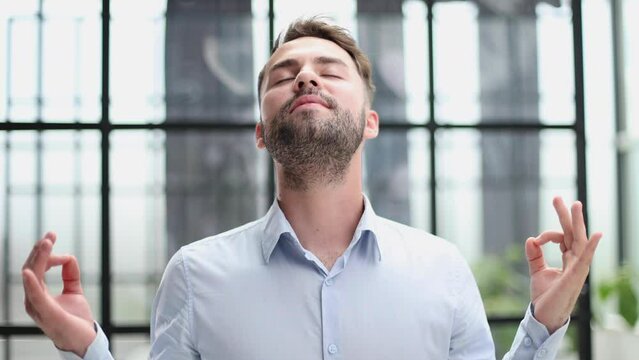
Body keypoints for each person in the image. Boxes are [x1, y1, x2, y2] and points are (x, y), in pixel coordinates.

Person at [22, 18, 602, 360]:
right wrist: (85, 348)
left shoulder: (441, 270)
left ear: (370, 122)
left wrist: (543, 327)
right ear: (260, 132)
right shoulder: (194, 276)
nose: (305, 75)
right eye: (284, 74)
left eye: (329, 69)